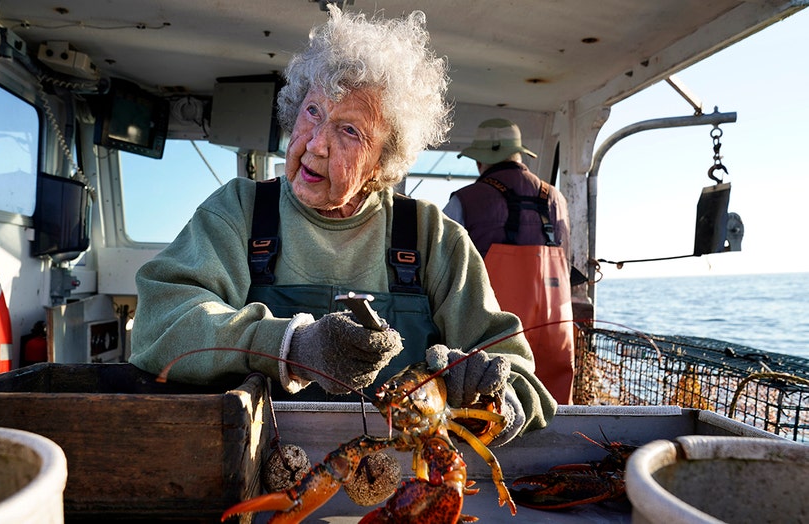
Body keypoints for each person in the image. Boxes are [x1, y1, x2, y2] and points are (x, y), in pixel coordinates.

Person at [130, 7, 556, 444]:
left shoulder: (433, 237)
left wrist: (493, 401)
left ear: (383, 162)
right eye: (312, 111)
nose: (315, 144)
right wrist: (289, 347)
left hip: (401, 481)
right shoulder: (239, 210)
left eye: (350, 130)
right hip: (256, 468)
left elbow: (520, 381)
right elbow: (159, 325)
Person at [444, 118, 576, 404]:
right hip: (555, 327)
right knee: (554, 406)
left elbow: (442, 266)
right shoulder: (557, 199)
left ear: (481, 161)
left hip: (497, 332)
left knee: (494, 405)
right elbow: (568, 256)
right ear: (519, 154)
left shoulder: (464, 200)